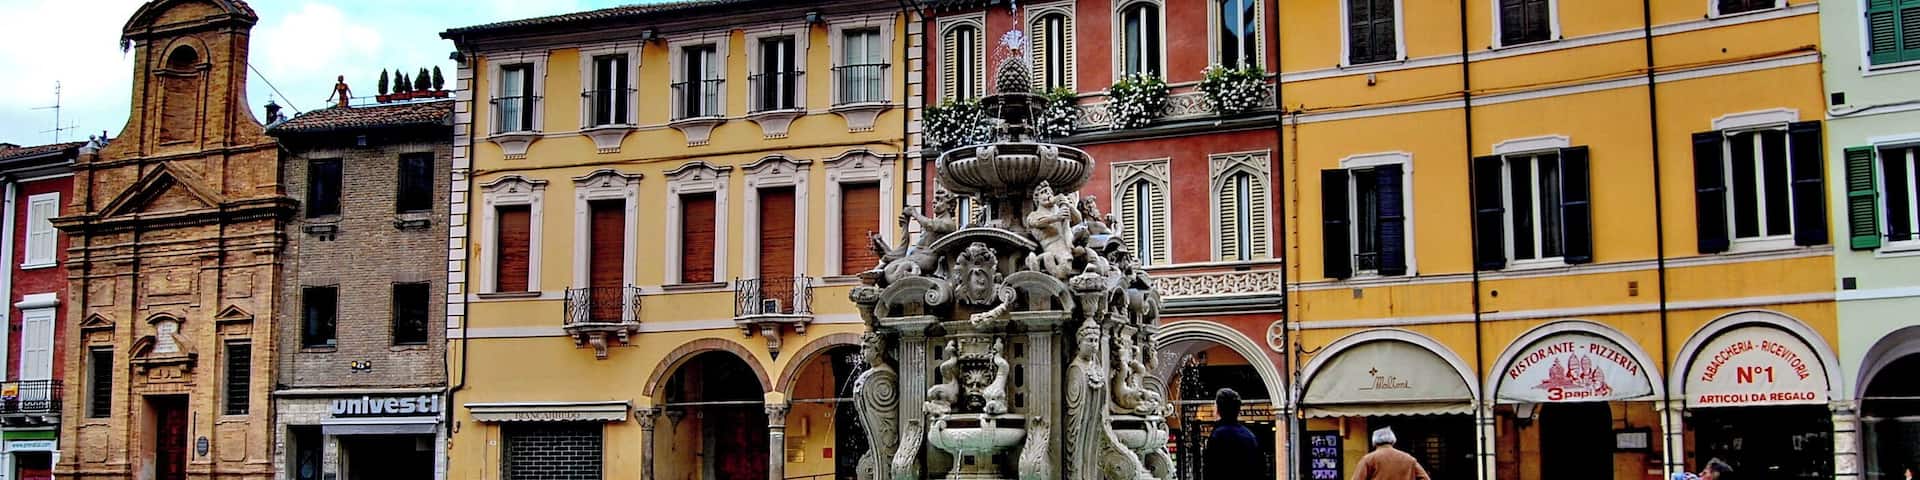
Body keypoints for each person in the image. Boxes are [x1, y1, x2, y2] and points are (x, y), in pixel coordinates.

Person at [1203, 388, 1261, 480]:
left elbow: (1212, 471)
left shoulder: (1217, 436)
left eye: (1214, 404)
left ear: (1218, 409)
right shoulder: (1250, 436)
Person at [1351, 427, 1430, 480]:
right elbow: (1425, 478)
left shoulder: (1368, 459)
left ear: (1374, 442)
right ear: (1393, 440)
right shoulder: (1409, 459)